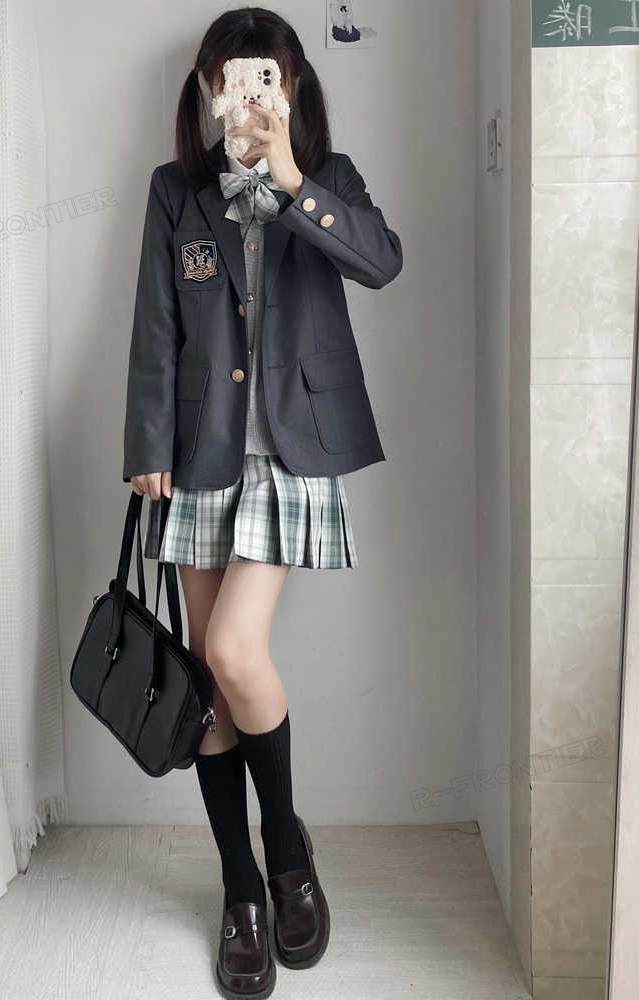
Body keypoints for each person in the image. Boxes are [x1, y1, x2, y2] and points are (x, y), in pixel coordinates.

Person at [122, 9, 402, 998]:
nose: (243, 96)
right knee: (208, 682)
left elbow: (381, 261)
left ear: (290, 89)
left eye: (264, 79)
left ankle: (285, 853)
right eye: (229, 80)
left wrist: (287, 178)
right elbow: (156, 324)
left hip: (290, 452)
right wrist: (145, 447)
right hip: (198, 456)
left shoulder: (328, 179)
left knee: (236, 653)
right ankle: (241, 889)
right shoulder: (176, 191)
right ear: (207, 91)